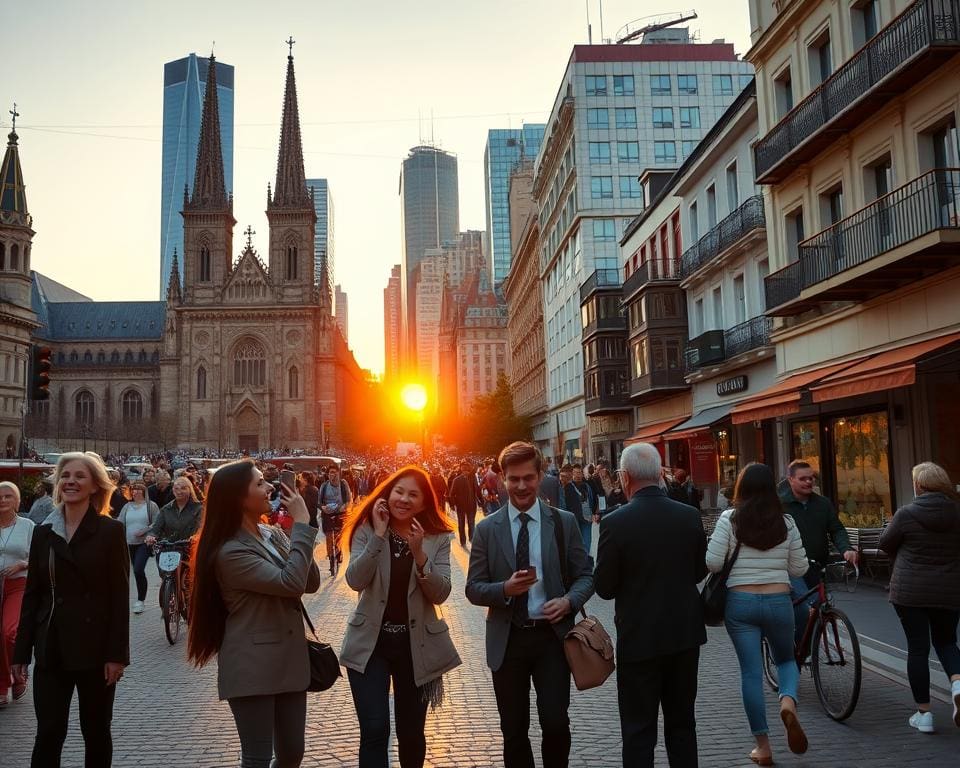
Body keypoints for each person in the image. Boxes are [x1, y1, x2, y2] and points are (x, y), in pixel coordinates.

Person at [466, 442, 594, 768]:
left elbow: (585, 576)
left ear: (540, 476)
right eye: (513, 479)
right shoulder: (486, 529)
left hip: (551, 638)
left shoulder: (562, 523)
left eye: (528, 478)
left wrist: (568, 601)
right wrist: (505, 589)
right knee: (513, 730)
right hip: (508, 640)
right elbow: (473, 588)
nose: (521, 486)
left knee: (555, 722)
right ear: (501, 480)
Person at [187, 459, 321, 768]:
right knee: (258, 758)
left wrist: (296, 531)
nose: (270, 486)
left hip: (288, 659)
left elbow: (309, 582)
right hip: (251, 662)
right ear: (237, 497)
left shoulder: (268, 533)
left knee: (292, 753)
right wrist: (301, 527)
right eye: (260, 483)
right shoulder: (230, 551)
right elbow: (290, 584)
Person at [12, 452, 129, 766]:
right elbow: (33, 596)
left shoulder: (110, 532)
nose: (70, 481)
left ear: (94, 486)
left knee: (96, 732)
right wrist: (21, 652)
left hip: (96, 651)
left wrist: (117, 655)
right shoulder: (43, 533)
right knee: (48, 733)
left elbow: (119, 598)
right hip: (52, 647)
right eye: (65, 475)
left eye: (79, 476)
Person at [594, 443, 707, 767]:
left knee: (638, 730)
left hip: (639, 638)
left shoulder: (616, 522)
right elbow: (699, 572)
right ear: (660, 475)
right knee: (683, 725)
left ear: (624, 477)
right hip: (684, 637)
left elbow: (604, 587)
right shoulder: (689, 516)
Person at [340, 466, 459, 767]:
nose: (404, 499)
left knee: (411, 733)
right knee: (375, 729)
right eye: (399, 491)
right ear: (388, 493)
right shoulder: (367, 528)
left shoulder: (437, 537)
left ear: (423, 502)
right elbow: (355, 579)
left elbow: (441, 593)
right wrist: (378, 537)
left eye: (413, 495)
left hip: (415, 645)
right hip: (371, 644)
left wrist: (420, 555)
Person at [706, 463, 810, 765]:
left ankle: (763, 747)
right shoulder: (787, 522)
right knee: (787, 659)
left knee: (751, 673)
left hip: (741, 602)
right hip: (779, 600)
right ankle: (788, 702)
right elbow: (799, 569)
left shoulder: (730, 519)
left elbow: (713, 563)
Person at [879, 462, 960, 734]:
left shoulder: (907, 514)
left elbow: (885, 543)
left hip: (911, 591)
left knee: (918, 649)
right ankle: (958, 684)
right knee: (948, 641)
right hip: (950, 589)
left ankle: (924, 715)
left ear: (919, 485)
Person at [779, 460, 857, 645]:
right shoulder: (780, 505)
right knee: (805, 607)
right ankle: (794, 651)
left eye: (811, 478)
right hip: (791, 567)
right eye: (803, 479)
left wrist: (846, 549)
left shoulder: (822, 504)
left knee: (819, 607)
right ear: (790, 480)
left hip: (817, 566)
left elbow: (836, 529)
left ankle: (809, 649)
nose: (808, 482)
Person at [1, 481, 34, 707]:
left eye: (8, 497)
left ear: (17, 500)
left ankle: (19, 673)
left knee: (9, 631)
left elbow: (39, 557)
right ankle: (3, 685)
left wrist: (22, 564)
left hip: (17, 585)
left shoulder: (28, 525)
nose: (2, 501)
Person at [117, 481, 161, 615]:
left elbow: (157, 523)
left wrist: (144, 531)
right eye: (133, 490)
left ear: (143, 492)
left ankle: (141, 600)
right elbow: (120, 522)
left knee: (138, 569)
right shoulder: (127, 506)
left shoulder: (150, 506)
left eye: (138, 490)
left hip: (145, 543)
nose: (135, 492)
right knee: (135, 571)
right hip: (129, 543)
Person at [319, 465, 352, 575]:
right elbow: (319, 502)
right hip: (328, 515)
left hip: (340, 514)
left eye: (334, 472)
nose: (332, 475)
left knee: (339, 537)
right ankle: (331, 559)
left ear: (339, 473)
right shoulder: (324, 486)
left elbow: (348, 499)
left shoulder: (343, 484)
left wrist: (345, 506)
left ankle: (339, 554)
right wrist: (323, 507)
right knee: (329, 538)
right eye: (330, 473)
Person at [449, 460, 479, 547]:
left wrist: (481, 502)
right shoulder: (457, 480)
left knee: (471, 523)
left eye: (467, 469)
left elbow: (476, 490)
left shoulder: (473, 478)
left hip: (471, 505)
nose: (465, 471)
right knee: (462, 524)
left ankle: (471, 538)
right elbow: (451, 494)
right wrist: (453, 504)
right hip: (461, 506)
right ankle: (463, 541)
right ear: (461, 470)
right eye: (464, 469)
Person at [570, 465, 598, 554]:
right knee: (576, 543)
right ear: (572, 474)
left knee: (586, 541)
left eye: (579, 473)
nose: (578, 475)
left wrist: (594, 512)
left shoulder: (587, 486)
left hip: (587, 518)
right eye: (576, 473)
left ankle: (585, 562)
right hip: (574, 518)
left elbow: (593, 498)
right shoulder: (569, 487)